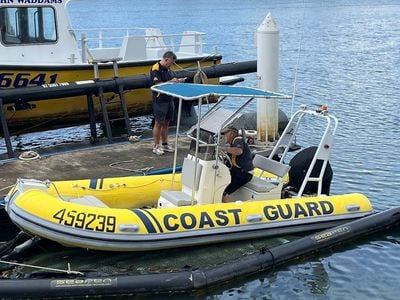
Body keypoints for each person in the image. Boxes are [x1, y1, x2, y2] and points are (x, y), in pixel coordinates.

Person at [150, 51, 186, 155]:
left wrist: (177, 81)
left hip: (169, 98)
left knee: (166, 122)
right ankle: (156, 146)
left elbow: (169, 81)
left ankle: (165, 144)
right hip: (159, 99)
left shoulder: (168, 69)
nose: (172, 64)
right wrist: (171, 82)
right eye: (172, 62)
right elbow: (157, 84)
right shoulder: (155, 68)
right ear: (166, 59)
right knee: (158, 123)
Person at [220, 126, 254, 203]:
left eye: (225, 134)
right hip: (237, 171)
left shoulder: (238, 140)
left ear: (231, 133)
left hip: (243, 173)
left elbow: (239, 151)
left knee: (222, 191)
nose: (224, 136)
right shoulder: (232, 144)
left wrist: (223, 148)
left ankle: (232, 209)